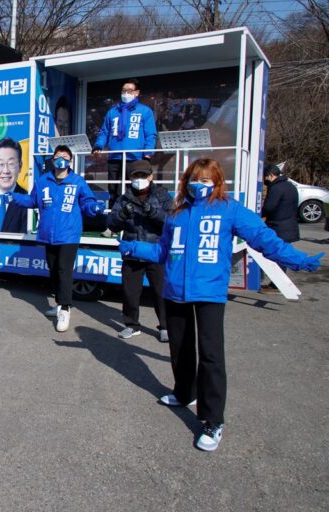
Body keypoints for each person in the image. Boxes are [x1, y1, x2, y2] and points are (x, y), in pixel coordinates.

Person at [119, 158, 323, 452]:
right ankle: (183, 392)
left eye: (205, 180)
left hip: (209, 293)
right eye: (194, 179)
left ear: (216, 181)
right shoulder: (177, 213)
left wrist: (297, 259)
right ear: (185, 181)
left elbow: (264, 239)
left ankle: (213, 420)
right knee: (180, 349)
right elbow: (163, 250)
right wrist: (133, 247)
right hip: (175, 292)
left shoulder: (230, 210)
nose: (198, 185)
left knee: (212, 357)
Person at [11, 145, 106, 332]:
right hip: (48, 235)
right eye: (58, 156)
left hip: (68, 234)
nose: (61, 159)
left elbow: (87, 201)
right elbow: (32, 200)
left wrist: (93, 207)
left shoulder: (77, 181)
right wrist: (14, 198)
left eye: (65, 156)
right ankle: (59, 303)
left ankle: (65, 308)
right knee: (53, 270)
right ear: (53, 160)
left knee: (64, 270)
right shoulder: (42, 181)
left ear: (70, 161)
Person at [107, 160, 173, 342]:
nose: (140, 179)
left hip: (156, 251)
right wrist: (122, 215)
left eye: (143, 175)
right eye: (136, 176)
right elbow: (111, 225)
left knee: (161, 292)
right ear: (130, 178)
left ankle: (165, 326)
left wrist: (153, 212)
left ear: (150, 176)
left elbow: (172, 220)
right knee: (130, 292)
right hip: (133, 252)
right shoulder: (123, 198)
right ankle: (131, 325)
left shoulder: (162, 195)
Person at [92, 78, 157, 208]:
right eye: (123, 90)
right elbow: (104, 132)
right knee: (113, 189)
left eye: (129, 91)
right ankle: (114, 221)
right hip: (115, 157)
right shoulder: (113, 111)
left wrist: (148, 153)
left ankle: (134, 220)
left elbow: (150, 134)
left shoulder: (144, 111)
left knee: (135, 189)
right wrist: (98, 146)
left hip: (135, 157)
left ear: (137, 93)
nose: (126, 93)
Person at [260, 163, 300, 292]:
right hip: (289, 225)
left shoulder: (276, 188)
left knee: (275, 256)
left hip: (278, 227)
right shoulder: (290, 186)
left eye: (265, 177)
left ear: (271, 175)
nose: (265, 180)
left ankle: (276, 284)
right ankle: (278, 283)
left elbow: (268, 208)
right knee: (282, 255)